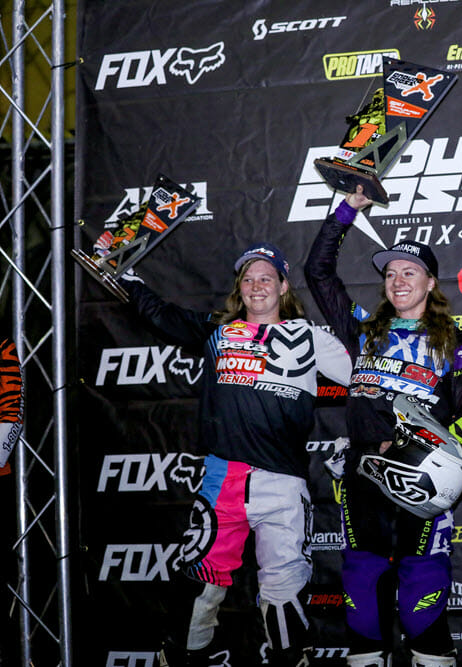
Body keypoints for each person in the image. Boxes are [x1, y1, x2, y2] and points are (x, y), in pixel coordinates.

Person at [119, 243, 353, 667]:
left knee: (284, 591)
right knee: (201, 585)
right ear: (238, 289)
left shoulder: (311, 336)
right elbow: (162, 316)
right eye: (248, 278)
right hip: (222, 478)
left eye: (266, 277)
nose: (256, 285)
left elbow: (366, 379)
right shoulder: (218, 331)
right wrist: (126, 277)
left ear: (283, 285)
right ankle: (184, 658)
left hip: (284, 482)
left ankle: (290, 659)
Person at [305, 188, 462, 667]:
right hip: (363, 482)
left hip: (419, 482)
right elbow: (317, 273)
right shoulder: (364, 331)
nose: (398, 280)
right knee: (363, 599)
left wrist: (416, 445)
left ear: (430, 282)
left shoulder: (453, 341)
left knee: (421, 597)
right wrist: (347, 212)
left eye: (410, 272)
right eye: (390, 273)